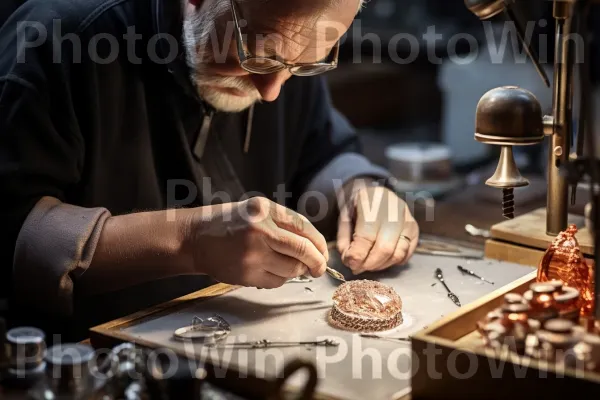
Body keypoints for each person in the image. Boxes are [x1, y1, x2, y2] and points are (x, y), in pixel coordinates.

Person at [0, 0, 419, 339]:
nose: (271, 91)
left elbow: (323, 151)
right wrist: (189, 241)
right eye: (255, 56)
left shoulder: (289, 44)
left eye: (305, 65)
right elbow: (15, 238)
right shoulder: (60, 41)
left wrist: (361, 190)